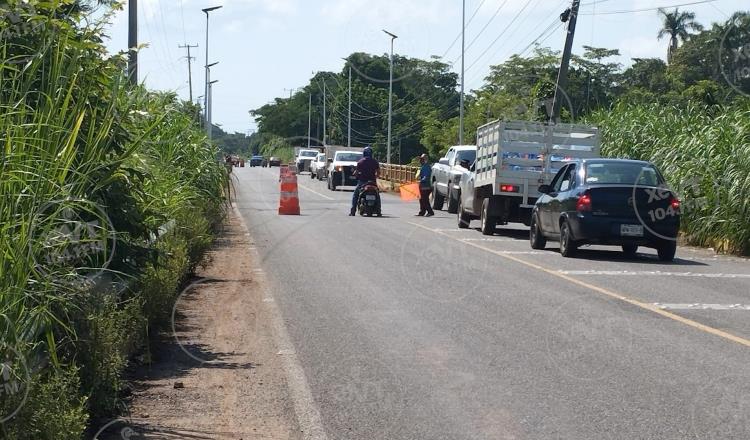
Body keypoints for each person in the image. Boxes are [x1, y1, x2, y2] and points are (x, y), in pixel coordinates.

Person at [350, 146, 380, 216]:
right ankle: (379, 211)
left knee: (355, 195)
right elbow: (378, 173)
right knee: (377, 195)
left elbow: (356, 173)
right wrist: (375, 176)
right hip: (372, 182)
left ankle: (353, 211)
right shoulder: (375, 162)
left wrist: (354, 174)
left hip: (362, 182)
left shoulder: (360, 162)